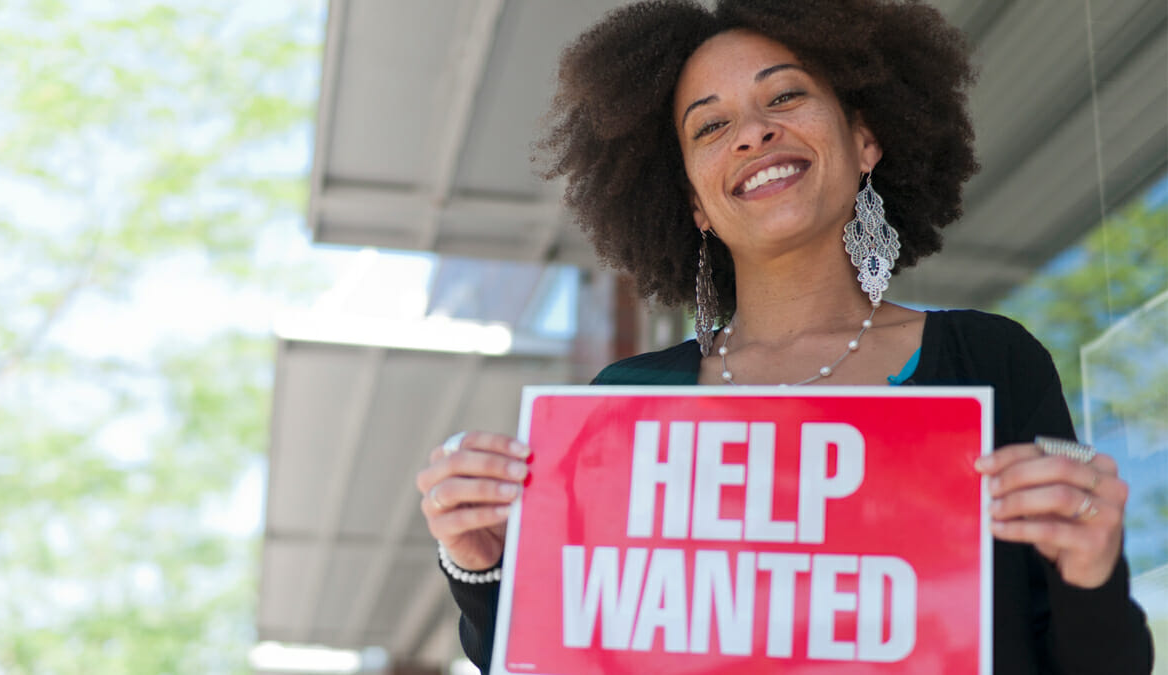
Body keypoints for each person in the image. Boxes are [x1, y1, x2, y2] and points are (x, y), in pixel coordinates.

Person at [412, 0, 1153, 672]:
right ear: (695, 204)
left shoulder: (991, 364)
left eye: (786, 96)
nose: (753, 132)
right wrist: (482, 565)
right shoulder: (625, 407)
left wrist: (1091, 571)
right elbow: (572, 649)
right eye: (710, 126)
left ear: (865, 140)